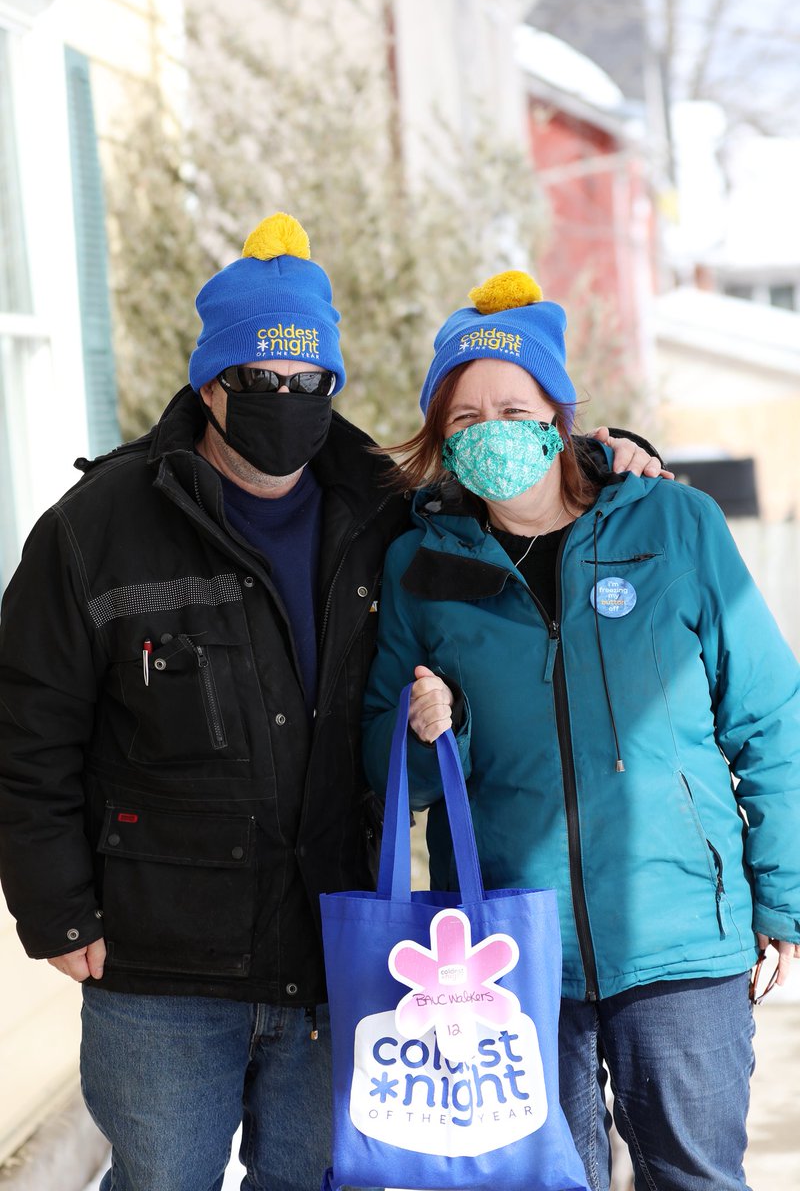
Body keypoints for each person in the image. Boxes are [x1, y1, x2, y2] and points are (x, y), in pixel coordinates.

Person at [0, 215, 663, 1191]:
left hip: (333, 948)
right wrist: (57, 911)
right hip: (161, 962)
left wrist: (608, 458)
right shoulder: (96, 531)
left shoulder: (386, 502)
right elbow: (29, 729)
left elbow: (520, 499)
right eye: (262, 382)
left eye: (309, 382)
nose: (287, 401)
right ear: (210, 385)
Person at [361, 269, 800, 1191]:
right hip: (510, 954)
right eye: (464, 421)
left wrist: (784, 899)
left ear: (559, 412)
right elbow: (384, 764)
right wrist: (442, 730)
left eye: (511, 408)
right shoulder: (419, 563)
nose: (490, 434)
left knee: (696, 1179)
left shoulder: (675, 524)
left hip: (679, 939)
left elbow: (769, 717)